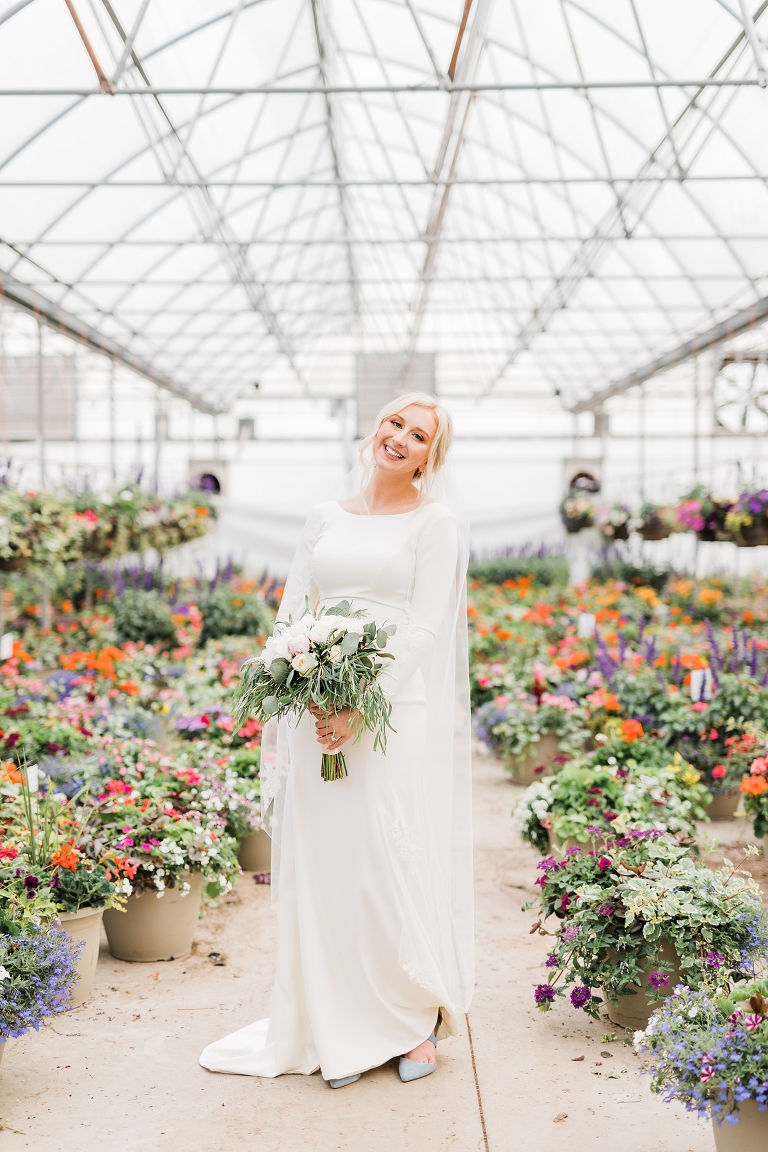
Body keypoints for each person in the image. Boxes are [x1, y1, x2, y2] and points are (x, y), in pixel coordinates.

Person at [200, 392, 474, 1087]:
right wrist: (303, 681)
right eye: (394, 423)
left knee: (384, 854)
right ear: (374, 428)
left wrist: (361, 706)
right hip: (312, 706)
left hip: (389, 711)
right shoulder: (323, 516)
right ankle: (336, 1021)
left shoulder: (435, 522)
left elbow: (426, 626)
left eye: (418, 435)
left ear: (429, 457)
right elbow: (296, 608)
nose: (400, 438)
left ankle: (413, 1020)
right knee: (324, 865)